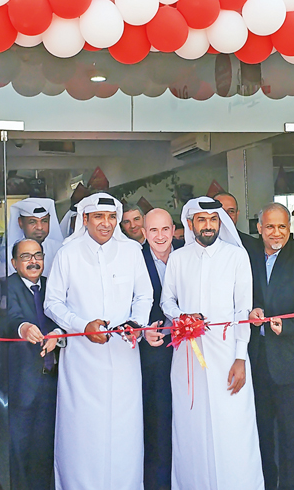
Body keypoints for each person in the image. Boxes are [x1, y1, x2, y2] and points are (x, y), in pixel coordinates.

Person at [44, 193, 155, 490]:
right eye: (98, 217)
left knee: (124, 431)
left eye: (110, 217)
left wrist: (136, 323)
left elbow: (144, 296)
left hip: (124, 357)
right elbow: (52, 303)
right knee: (82, 432)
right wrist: (82, 326)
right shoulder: (68, 253)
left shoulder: (132, 251)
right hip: (82, 360)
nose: (106, 224)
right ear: (85, 219)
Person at [161, 198, 265, 490]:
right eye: (202, 220)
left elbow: (243, 311)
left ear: (221, 222)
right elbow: (166, 300)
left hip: (227, 355)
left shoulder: (236, 257)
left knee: (232, 427)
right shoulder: (178, 258)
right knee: (191, 426)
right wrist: (180, 316)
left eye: (213, 220)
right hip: (187, 357)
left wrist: (240, 357)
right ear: (191, 223)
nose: (208, 225)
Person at [247, 203, 294, 490]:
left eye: (281, 227)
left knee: (292, 437)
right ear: (260, 228)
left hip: (291, 363)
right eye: (270, 227)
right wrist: (252, 310)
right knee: (261, 435)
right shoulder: (249, 257)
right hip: (257, 361)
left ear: (289, 229)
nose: (275, 233)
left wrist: (286, 326)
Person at [0, 238, 61, 490]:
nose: (33, 261)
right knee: (19, 445)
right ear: (14, 262)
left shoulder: (52, 285)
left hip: (52, 378)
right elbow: (8, 317)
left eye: (38, 256)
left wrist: (57, 333)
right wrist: (24, 327)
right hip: (21, 382)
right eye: (26, 257)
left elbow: (63, 315)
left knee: (46, 444)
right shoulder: (4, 285)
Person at [139, 208, 175, 490]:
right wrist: (141, 330)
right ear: (143, 233)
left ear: (174, 230)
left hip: (190, 353)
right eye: (153, 230)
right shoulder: (133, 259)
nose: (160, 236)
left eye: (165, 229)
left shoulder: (189, 255)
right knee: (158, 421)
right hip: (153, 356)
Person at [7, 197, 64, 276]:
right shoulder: (8, 254)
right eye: (32, 222)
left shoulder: (60, 250)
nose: (40, 227)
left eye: (44, 221)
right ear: (20, 222)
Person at [216, 192, 264, 258]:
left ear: (237, 214)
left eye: (231, 211)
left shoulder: (253, 245)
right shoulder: (201, 244)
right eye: (221, 211)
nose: (226, 216)